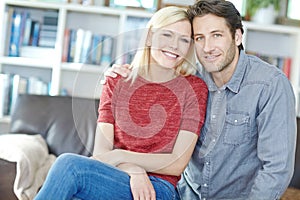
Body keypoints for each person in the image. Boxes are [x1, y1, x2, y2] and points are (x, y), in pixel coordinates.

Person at [105, 0, 297, 199]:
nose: (207, 48)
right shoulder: (189, 80)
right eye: (199, 38)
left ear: (237, 36)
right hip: (182, 195)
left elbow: (276, 169)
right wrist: (119, 74)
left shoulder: (270, 85)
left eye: (216, 35)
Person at [34, 6, 208, 200]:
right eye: (167, 35)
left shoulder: (194, 89)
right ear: (150, 37)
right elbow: (102, 152)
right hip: (115, 176)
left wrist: (121, 156)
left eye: (184, 39)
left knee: (69, 166)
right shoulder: (116, 81)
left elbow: (177, 164)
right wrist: (133, 170)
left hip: (159, 189)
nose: (175, 45)